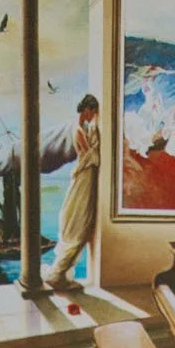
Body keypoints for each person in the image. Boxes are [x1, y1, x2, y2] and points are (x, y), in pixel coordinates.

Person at [48, 92, 99, 289]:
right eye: (92, 112)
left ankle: (61, 273)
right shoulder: (78, 129)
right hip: (84, 176)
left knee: (79, 220)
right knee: (79, 223)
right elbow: (90, 156)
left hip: (83, 175)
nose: (93, 117)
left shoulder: (77, 126)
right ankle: (58, 275)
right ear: (87, 110)